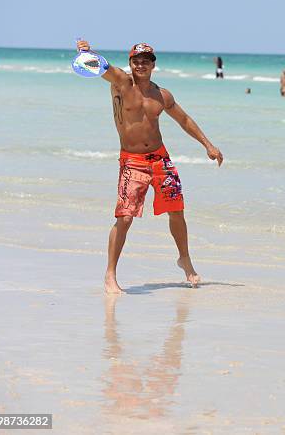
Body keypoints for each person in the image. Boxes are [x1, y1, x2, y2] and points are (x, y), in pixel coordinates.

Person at [75, 39, 224, 294]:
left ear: (153, 65)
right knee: (125, 217)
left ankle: (185, 260)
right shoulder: (121, 82)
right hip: (132, 160)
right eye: (136, 60)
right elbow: (101, 67)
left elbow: (184, 119)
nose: (141, 64)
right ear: (130, 63)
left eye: (146, 60)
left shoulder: (162, 95)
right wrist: (87, 53)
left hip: (160, 159)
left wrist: (208, 145)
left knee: (176, 211)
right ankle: (110, 274)